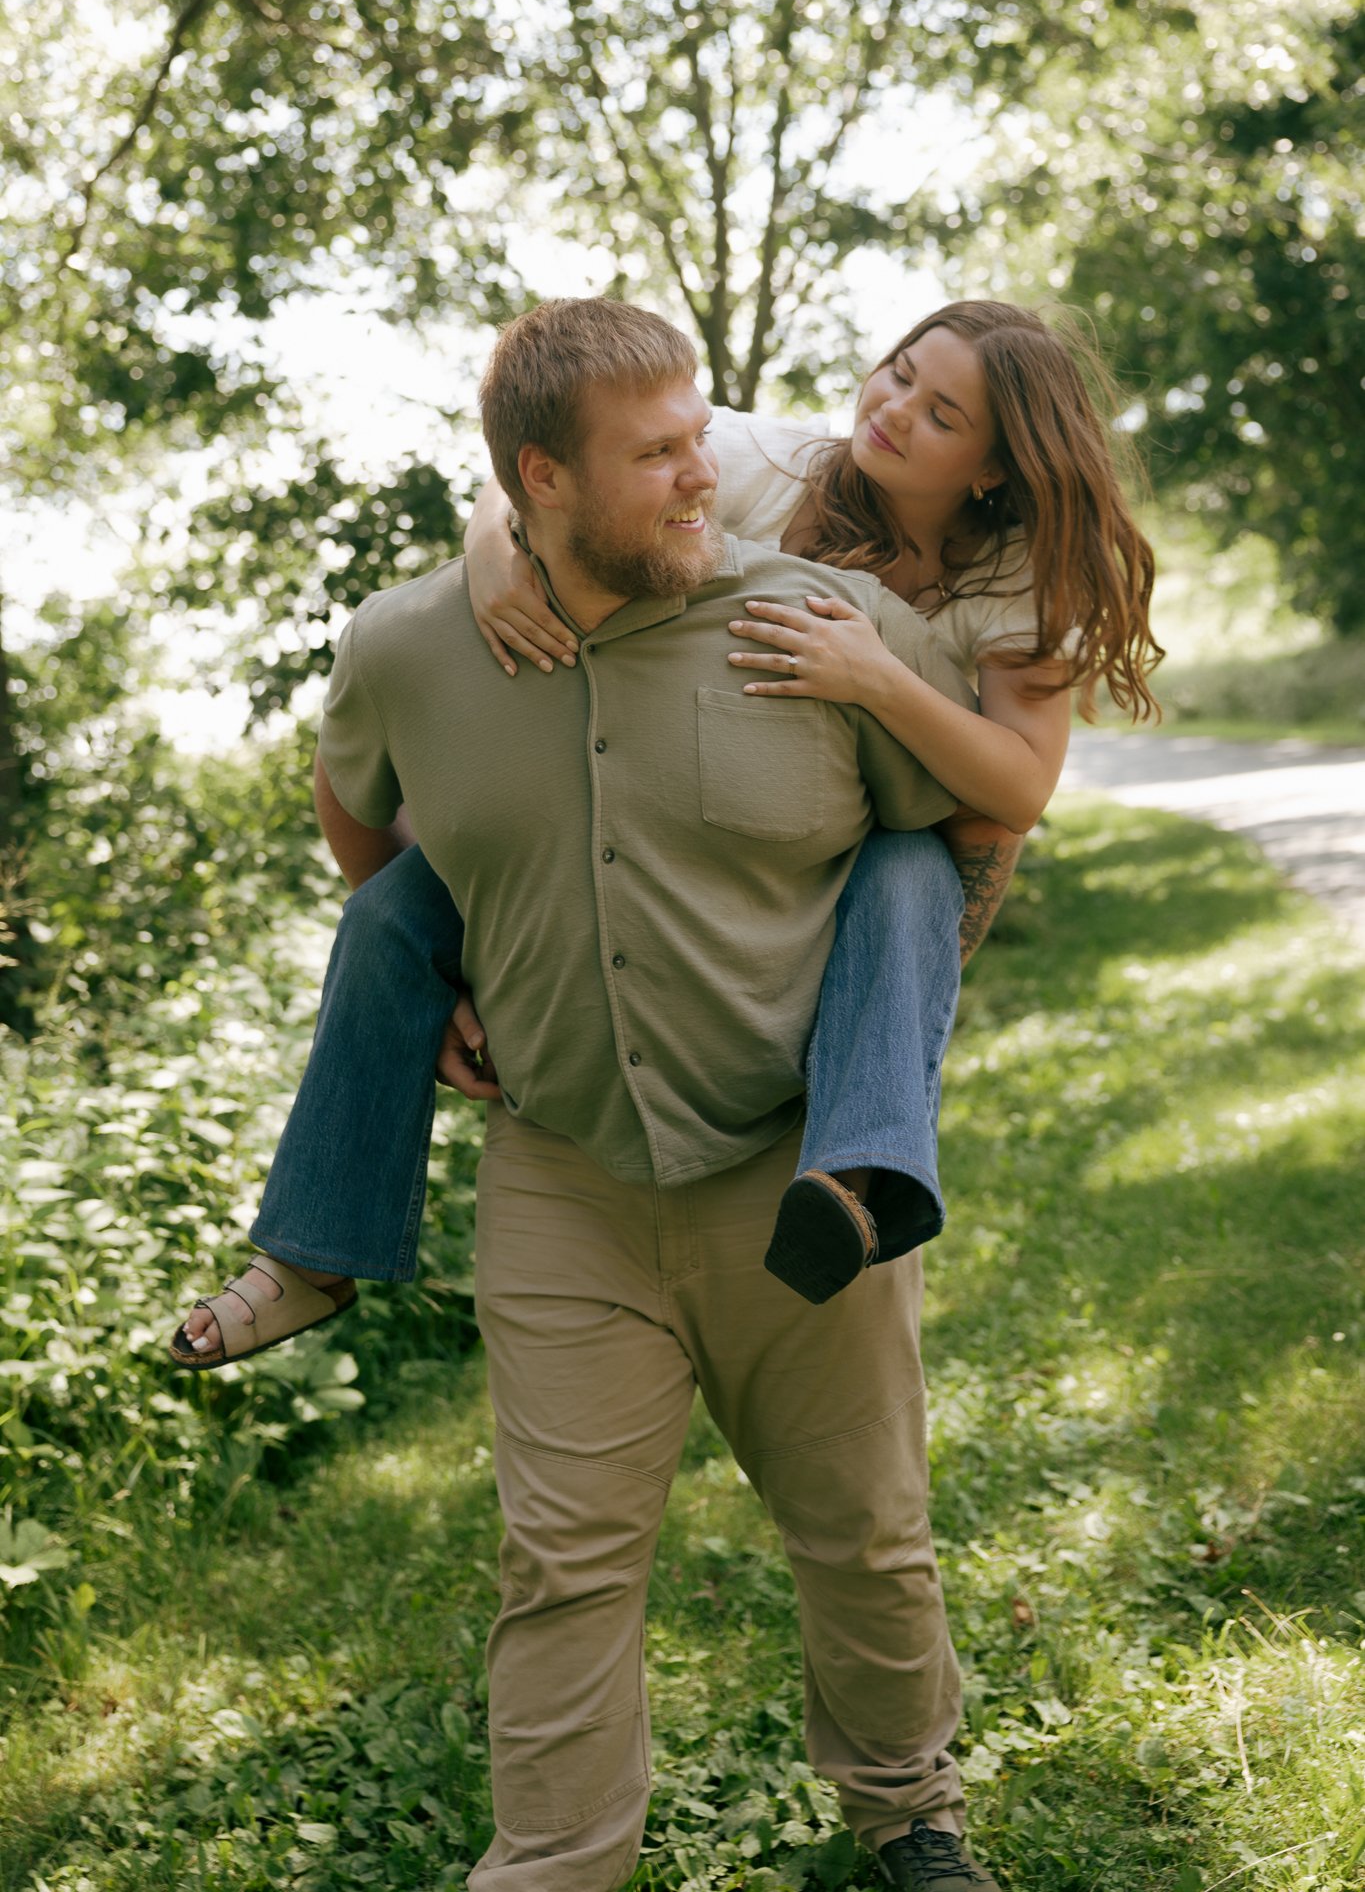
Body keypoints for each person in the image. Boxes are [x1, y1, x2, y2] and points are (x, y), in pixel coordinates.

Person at [169, 298, 1158, 1359]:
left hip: (883, 814)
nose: (896, 409)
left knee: (912, 870)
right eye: (899, 370)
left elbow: (1013, 790)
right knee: (385, 914)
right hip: (661, 777)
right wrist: (496, 560)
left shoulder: (1019, 580)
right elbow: (535, 472)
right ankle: (312, 1251)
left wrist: (875, 679)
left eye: (944, 412)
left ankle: (857, 1172)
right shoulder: (760, 460)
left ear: (993, 469)